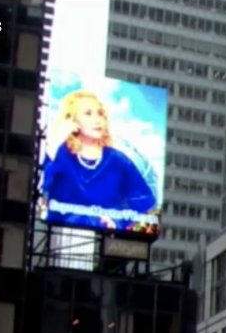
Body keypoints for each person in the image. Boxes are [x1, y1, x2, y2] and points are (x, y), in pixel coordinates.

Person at [39, 90, 159, 232]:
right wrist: (54, 143)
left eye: (100, 113)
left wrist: (117, 222)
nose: (97, 120)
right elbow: (40, 188)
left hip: (106, 239)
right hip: (57, 236)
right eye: (88, 113)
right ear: (72, 121)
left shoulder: (118, 160)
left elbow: (145, 202)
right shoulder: (60, 155)